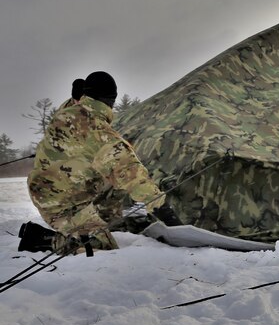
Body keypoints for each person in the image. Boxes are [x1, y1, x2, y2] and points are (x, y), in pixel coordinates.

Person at [22, 71, 173, 254]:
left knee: (114, 190)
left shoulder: (66, 113)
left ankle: (98, 222)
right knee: (101, 246)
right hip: (61, 203)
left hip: (56, 190)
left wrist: (77, 97)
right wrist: (160, 206)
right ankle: (44, 239)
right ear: (111, 100)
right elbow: (128, 169)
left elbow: (75, 107)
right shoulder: (96, 130)